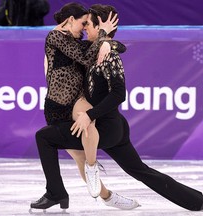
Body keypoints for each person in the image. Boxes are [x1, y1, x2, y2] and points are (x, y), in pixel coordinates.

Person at [35, 3, 203, 212]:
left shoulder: (106, 56)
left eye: (88, 25)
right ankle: (196, 200)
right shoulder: (88, 49)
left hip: (106, 127)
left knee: (45, 137)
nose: (85, 30)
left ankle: (86, 182)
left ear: (99, 27)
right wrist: (107, 42)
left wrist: (108, 43)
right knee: (139, 170)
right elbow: (103, 49)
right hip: (112, 126)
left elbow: (119, 93)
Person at [30, 2, 140, 212]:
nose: (83, 28)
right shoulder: (55, 37)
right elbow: (85, 56)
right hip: (55, 108)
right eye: (83, 23)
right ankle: (107, 196)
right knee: (79, 158)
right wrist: (103, 38)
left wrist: (108, 42)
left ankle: (92, 169)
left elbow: (120, 47)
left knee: (88, 122)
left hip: (76, 100)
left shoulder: (78, 41)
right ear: (70, 20)